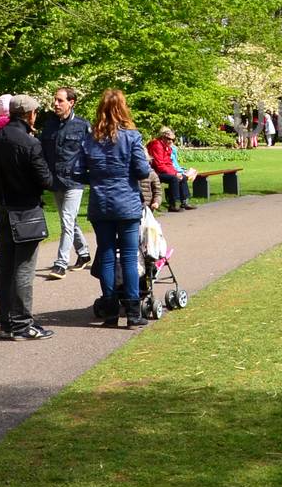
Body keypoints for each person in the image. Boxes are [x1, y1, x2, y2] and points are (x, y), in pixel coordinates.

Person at [76, 89, 152, 330]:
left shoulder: (89, 139)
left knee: (107, 255)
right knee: (129, 257)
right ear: (123, 109)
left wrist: (98, 179)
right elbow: (141, 171)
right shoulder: (131, 137)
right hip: (126, 202)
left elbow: (78, 172)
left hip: (101, 202)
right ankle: (132, 313)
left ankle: (110, 313)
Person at [0, 93, 55, 340]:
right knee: (24, 268)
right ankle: (22, 325)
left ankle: (6, 322)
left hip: (2, 206)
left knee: (4, 265)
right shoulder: (30, 143)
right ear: (29, 114)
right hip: (25, 208)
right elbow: (45, 179)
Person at [38, 86, 93, 280]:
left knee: (67, 221)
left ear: (71, 102)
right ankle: (84, 253)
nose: (55, 104)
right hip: (55, 181)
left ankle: (61, 263)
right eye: (55, 100)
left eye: (60, 100)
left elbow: (91, 153)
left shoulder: (83, 126)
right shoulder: (49, 125)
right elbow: (42, 153)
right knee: (69, 220)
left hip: (75, 181)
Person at [147, 127, 194, 213]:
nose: (171, 141)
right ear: (163, 138)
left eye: (173, 139)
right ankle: (173, 204)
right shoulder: (157, 145)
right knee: (174, 178)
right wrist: (174, 174)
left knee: (182, 177)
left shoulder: (167, 146)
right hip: (154, 172)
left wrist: (176, 172)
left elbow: (169, 163)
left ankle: (185, 202)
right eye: (169, 139)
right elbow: (159, 165)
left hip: (162, 170)